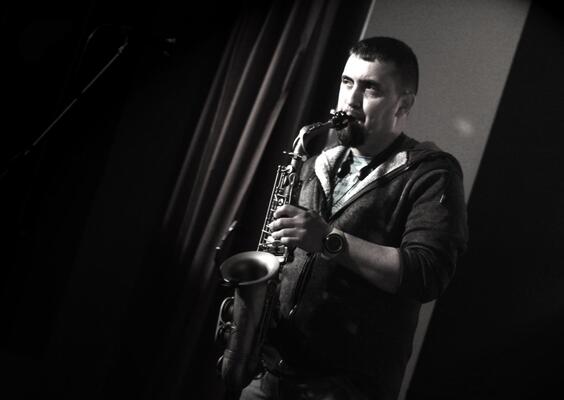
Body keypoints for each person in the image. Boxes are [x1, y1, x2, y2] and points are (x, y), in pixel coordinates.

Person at [239, 36, 468, 400]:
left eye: (370, 88)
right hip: (271, 375)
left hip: (345, 388)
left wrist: (328, 240)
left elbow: (427, 274)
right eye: (347, 82)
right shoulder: (314, 165)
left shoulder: (432, 174)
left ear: (404, 103)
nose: (351, 100)